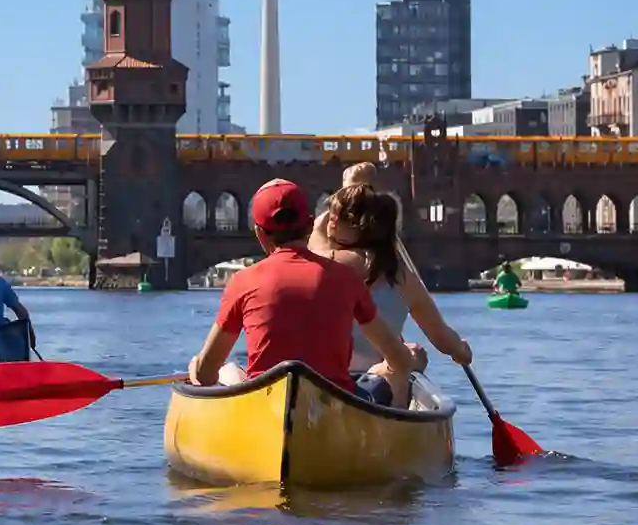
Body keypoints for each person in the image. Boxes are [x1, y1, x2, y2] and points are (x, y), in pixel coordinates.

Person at [188, 178, 416, 407]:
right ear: (309, 226)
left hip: (266, 406)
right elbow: (399, 361)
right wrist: (399, 361)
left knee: (229, 370)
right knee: (388, 373)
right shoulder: (347, 279)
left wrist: (195, 367)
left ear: (259, 233)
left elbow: (206, 375)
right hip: (335, 405)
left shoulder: (242, 282)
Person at [311, 163, 473, 375]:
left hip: (328, 380)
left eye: (336, 216)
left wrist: (350, 189)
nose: (331, 220)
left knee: (413, 355)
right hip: (375, 380)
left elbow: (318, 230)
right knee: (416, 356)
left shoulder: (328, 263)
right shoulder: (402, 278)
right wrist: (461, 350)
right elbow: (442, 337)